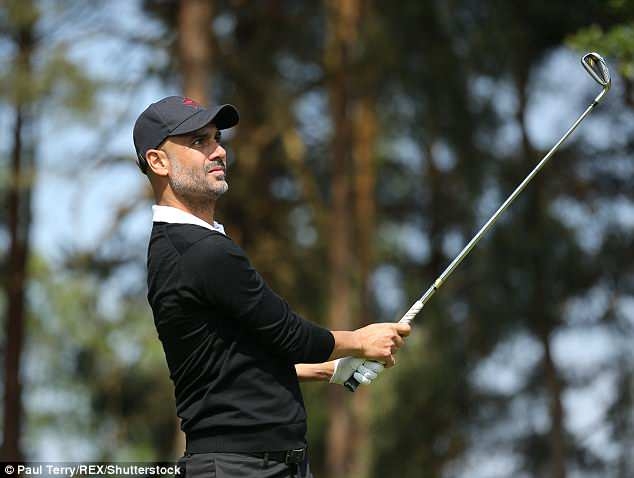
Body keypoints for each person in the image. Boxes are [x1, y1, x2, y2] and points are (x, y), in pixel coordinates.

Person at [133, 96, 410, 478]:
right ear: (158, 162)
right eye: (199, 141)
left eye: (217, 138)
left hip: (262, 465)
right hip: (241, 468)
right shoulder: (201, 251)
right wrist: (361, 341)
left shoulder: (179, 245)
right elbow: (290, 335)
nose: (218, 151)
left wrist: (328, 369)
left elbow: (234, 357)